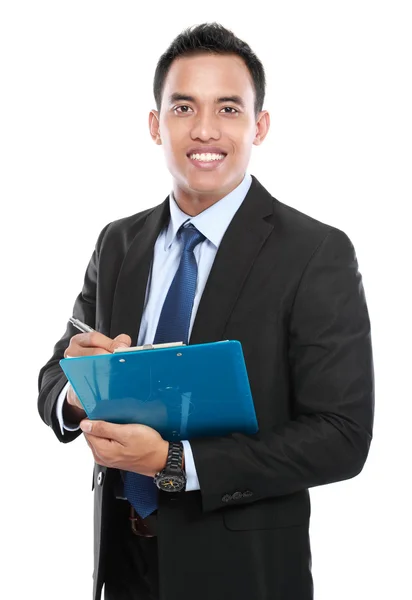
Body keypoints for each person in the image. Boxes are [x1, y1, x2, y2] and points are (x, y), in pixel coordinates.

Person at [37, 22, 374, 600]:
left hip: (243, 571)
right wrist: (76, 391)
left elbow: (342, 436)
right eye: (184, 107)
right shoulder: (117, 243)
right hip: (124, 565)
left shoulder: (315, 253)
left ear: (259, 125)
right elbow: (53, 379)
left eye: (229, 108)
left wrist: (176, 462)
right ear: (155, 123)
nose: (205, 130)